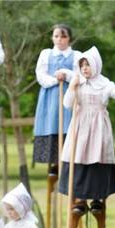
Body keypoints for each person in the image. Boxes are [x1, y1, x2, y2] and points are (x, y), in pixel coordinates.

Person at [58, 46, 115, 216]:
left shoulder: (104, 83)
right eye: (82, 65)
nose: (85, 68)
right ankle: (80, 199)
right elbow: (67, 104)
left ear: (96, 65)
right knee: (79, 158)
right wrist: (73, 86)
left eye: (88, 65)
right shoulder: (77, 82)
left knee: (97, 159)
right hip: (79, 126)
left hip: (98, 127)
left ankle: (98, 199)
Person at [33, 23, 76, 172]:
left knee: (68, 125)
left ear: (69, 38)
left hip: (69, 95)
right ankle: (54, 166)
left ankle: (68, 164)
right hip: (50, 97)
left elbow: (80, 75)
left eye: (63, 36)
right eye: (56, 36)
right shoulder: (46, 54)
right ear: (52, 37)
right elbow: (40, 75)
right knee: (52, 123)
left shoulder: (76, 55)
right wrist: (55, 80)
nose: (59, 39)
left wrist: (66, 76)